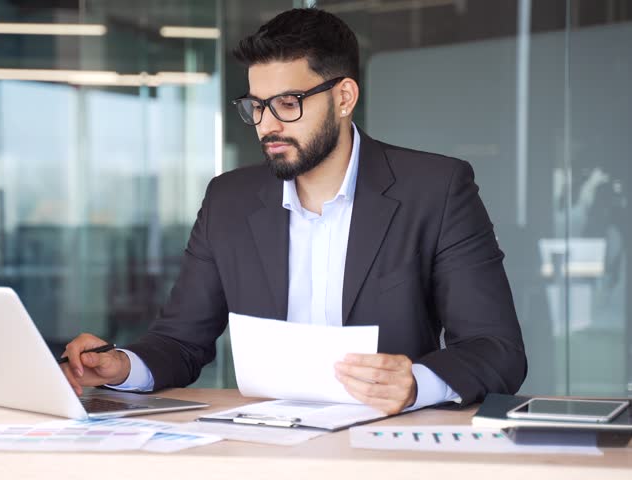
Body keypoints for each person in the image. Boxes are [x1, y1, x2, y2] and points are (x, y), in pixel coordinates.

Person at [61, 8, 527, 414]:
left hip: (386, 443)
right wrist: (121, 366)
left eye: (288, 103)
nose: (268, 125)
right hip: (266, 443)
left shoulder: (436, 189)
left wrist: (416, 385)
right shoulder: (229, 200)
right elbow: (181, 341)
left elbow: (497, 350)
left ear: (344, 98)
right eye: (257, 106)